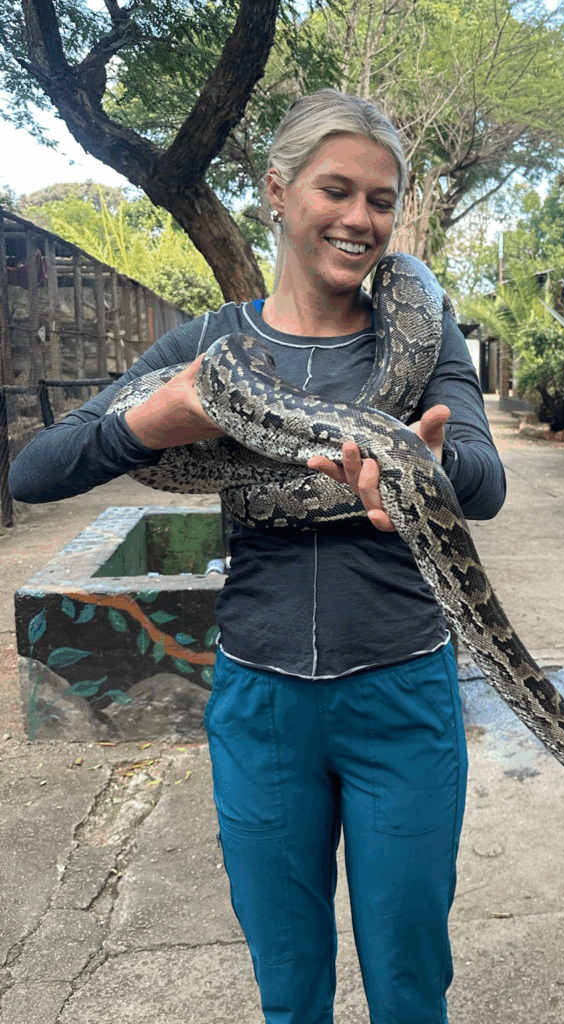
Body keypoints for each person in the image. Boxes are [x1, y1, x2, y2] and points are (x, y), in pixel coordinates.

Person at [9, 89, 506, 1024]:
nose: (362, 219)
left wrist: (425, 473)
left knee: (410, 979)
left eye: (382, 199)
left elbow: (483, 478)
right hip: (261, 698)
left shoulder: (423, 336)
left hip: (403, 692)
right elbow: (35, 470)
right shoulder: (206, 349)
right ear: (276, 192)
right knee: (288, 983)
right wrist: (149, 424)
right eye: (337, 190)